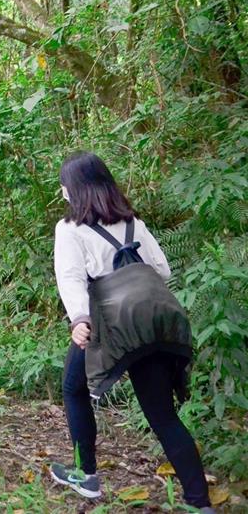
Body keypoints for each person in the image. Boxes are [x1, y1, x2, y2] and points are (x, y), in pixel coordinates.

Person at [50, 152, 214, 513]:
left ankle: (86, 475)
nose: (62, 190)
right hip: (152, 319)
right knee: (162, 415)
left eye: (64, 185)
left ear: (74, 190)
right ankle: (200, 504)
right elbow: (162, 269)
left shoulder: (69, 229)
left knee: (74, 389)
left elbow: (71, 277)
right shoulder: (133, 223)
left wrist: (79, 318)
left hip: (109, 322)